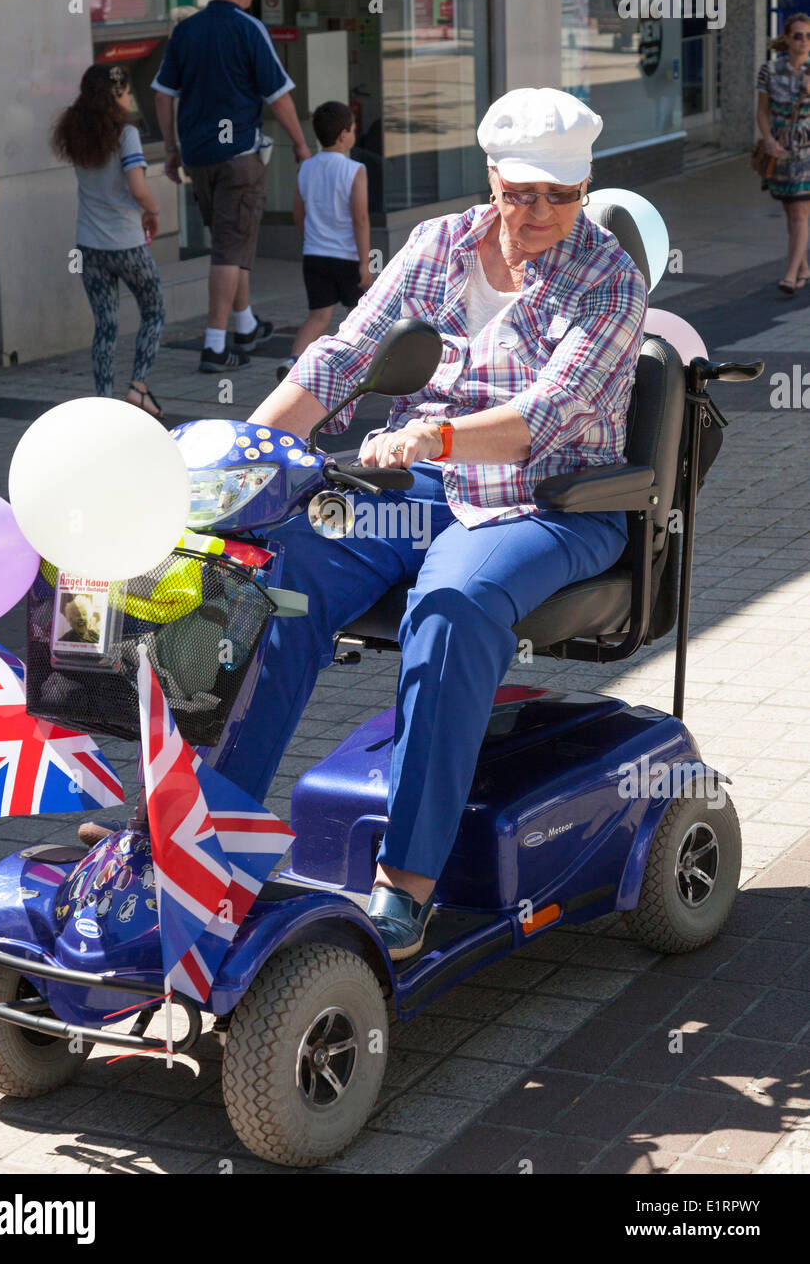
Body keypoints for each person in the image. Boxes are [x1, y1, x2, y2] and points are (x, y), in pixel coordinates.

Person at [226, 86, 647, 959]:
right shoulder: (438, 244)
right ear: (490, 176)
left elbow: (549, 412)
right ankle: (210, 832)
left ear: (585, 186)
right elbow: (346, 354)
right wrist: (245, 452)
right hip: (420, 485)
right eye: (520, 192)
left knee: (451, 606)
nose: (538, 214)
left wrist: (440, 432)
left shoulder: (609, 277)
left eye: (559, 196)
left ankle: (405, 886)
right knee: (281, 568)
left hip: (553, 499)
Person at [152, 0, 312, 372]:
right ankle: (215, 346)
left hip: (199, 158)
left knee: (232, 240)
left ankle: (245, 326)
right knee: (228, 249)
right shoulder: (249, 29)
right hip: (239, 155)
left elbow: (162, 95)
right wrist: (301, 144)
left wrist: (170, 148)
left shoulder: (185, 31)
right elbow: (277, 96)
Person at [52, 63, 166, 419]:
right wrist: (153, 210)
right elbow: (137, 187)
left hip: (89, 245)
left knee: (105, 324)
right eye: (127, 91)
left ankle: (102, 401)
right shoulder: (125, 135)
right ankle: (138, 388)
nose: (130, 98)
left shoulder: (75, 132)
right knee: (154, 310)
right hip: (127, 242)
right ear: (115, 94)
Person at [276, 100, 373, 382]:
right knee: (358, 315)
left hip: (314, 255)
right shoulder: (355, 170)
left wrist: (311, 240)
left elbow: (299, 212)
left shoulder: (306, 167)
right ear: (344, 134)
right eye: (353, 128)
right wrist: (364, 263)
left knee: (317, 317)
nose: (355, 133)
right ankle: (361, 371)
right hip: (346, 256)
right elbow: (361, 218)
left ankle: (292, 362)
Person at [756, 12, 810, 294]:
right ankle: (802, 266)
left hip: (808, 151)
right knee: (791, 211)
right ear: (787, 38)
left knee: (801, 210)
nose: (803, 41)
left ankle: (790, 275)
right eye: (798, 35)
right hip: (779, 149)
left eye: (808, 36)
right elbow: (762, 111)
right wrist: (766, 140)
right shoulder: (770, 70)